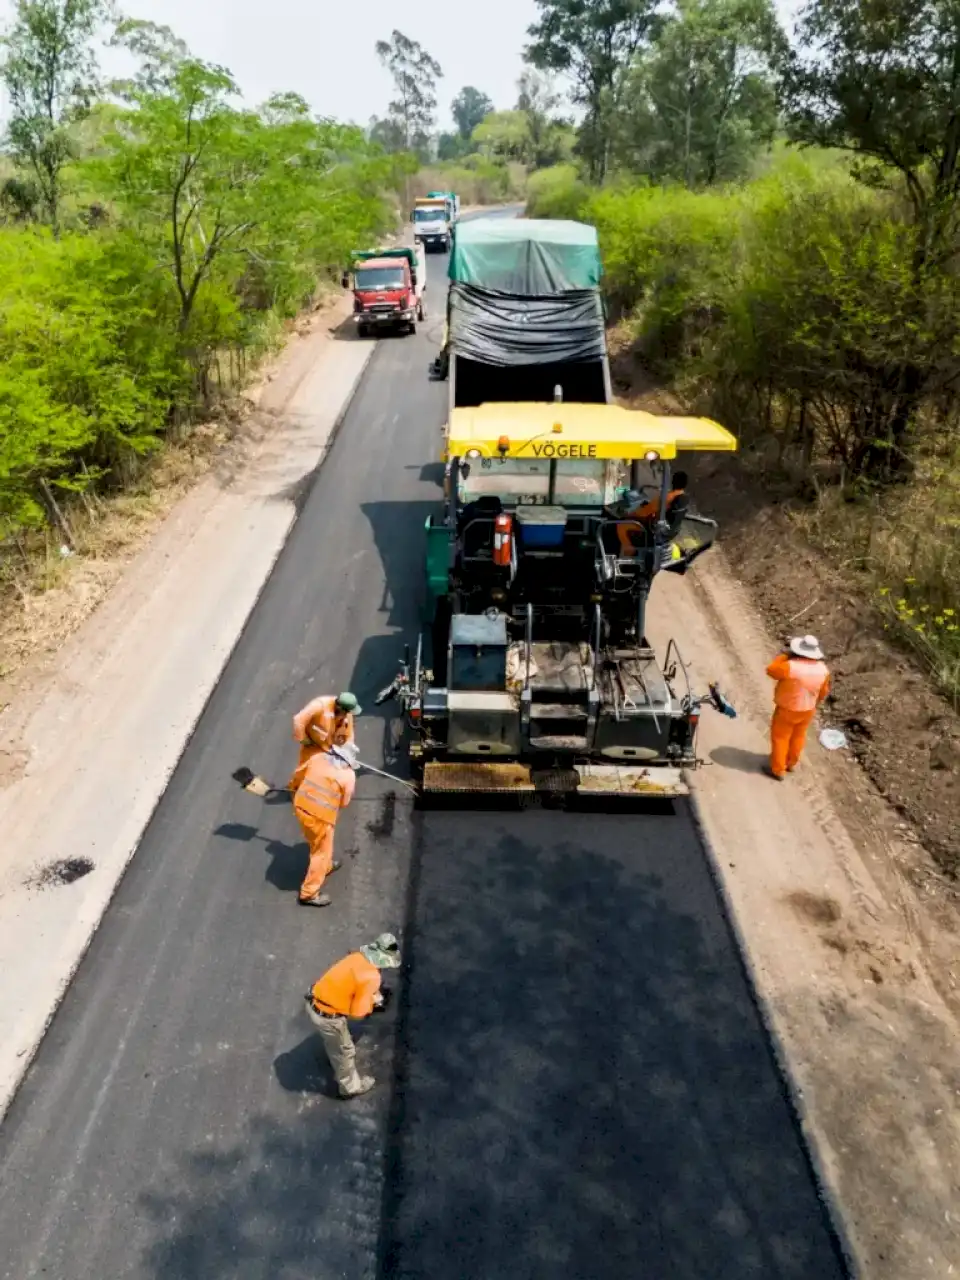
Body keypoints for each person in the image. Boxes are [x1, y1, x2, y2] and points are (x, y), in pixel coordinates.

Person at [305, 933, 402, 1098]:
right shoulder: (371, 977)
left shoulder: (356, 958)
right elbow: (358, 1013)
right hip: (328, 1017)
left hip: (315, 1000)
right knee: (345, 1050)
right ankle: (350, 1088)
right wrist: (374, 1003)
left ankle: (334, 1056)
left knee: (333, 1043)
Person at [293, 743, 357, 907]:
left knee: (319, 841)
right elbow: (344, 802)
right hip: (320, 817)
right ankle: (309, 893)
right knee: (321, 852)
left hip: (301, 807)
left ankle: (326, 866)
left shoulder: (317, 758)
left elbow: (298, 776)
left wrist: (294, 788)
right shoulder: (348, 776)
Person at [765, 635, 831, 780]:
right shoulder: (823, 670)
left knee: (781, 737)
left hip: (788, 709)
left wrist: (783, 656)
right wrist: (815, 702)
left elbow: (771, 670)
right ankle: (790, 763)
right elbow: (823, 692)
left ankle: (777, 769)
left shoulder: (790, 666)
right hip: (808, 710)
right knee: (798, 736)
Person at [287, 692, 360, 792]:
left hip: (331, 747)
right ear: (340, 708)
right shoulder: (319, 706)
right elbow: (298, 720)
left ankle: (316, 787)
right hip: (314, 744)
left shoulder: (347, 715)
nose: (348, 714)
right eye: (346, 712)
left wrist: (348, 749)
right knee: (304, 769)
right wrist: (303, 739)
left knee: (327, 770)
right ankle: (294, 788)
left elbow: (349, 733)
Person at [616, 471, 689, 556]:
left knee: (621, 526)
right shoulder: (685, 498)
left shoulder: (667, 497)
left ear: (672, 481)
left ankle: (629, 552)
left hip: (655, 530)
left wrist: (628, 514)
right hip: (669, 531)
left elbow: (643, 513)